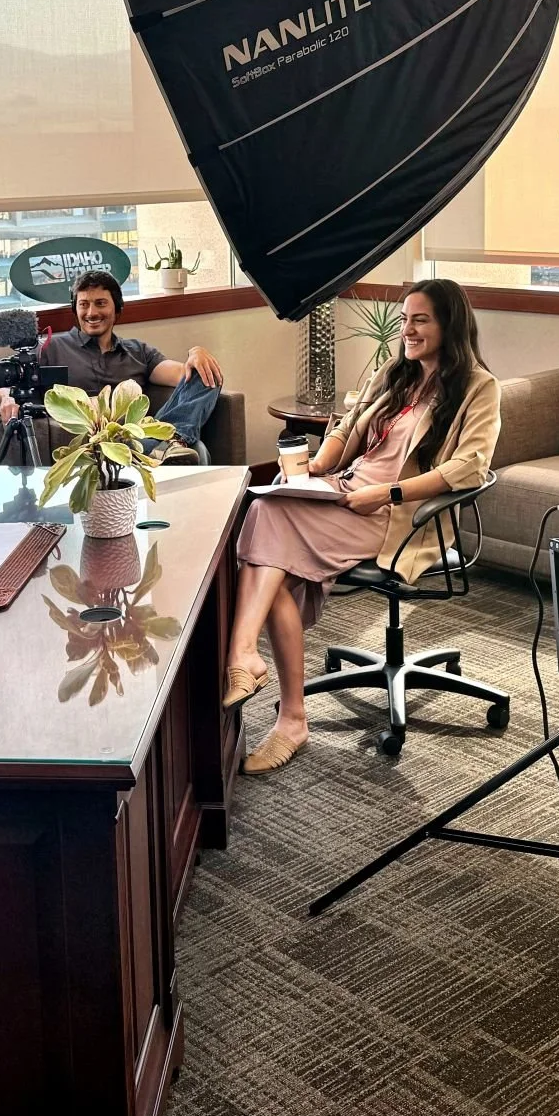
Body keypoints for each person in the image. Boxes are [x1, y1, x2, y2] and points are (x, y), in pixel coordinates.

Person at [226, 279, 500, 775]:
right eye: (405, 318)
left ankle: (274, 696)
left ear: (449, 325)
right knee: (271, 550)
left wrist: (386, 493)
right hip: (346, 494)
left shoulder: (479, 388)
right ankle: (268, 687)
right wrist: (311, 472)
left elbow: (470, 466)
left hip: (400, 519)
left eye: (421, 319)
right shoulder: (394, 374)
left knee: (266, 534)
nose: (408, 328)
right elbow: (346, 428)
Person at [0, 269, 225, 462]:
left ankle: (172, 442)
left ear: (117, 309)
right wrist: (7, 398)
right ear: (75, 310)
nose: (91, 312)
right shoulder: (50, 348)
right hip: (95, 446)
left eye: (100, 303)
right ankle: (171, 445)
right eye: (83, 304)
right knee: (197, 451)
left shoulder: (138, 351)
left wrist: (197, 352)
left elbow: (187, 375)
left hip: (139, 436)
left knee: (207, 376)